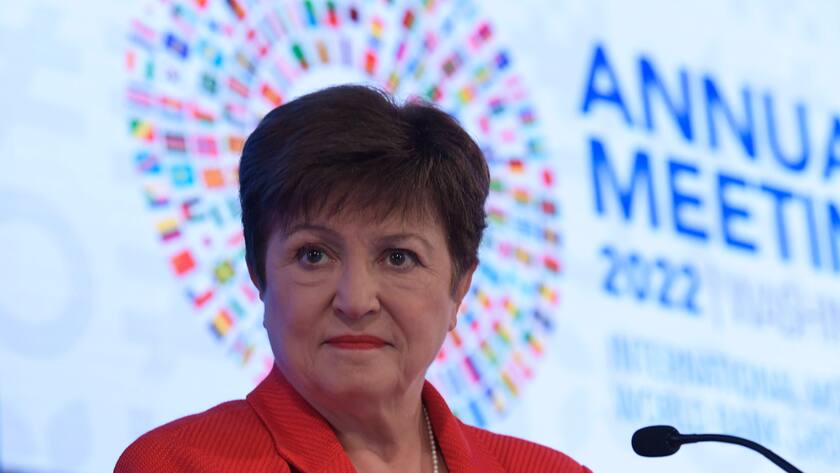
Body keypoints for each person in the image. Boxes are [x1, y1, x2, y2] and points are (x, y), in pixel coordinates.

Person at [116, 85, 591, 473]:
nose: (356, 300)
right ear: (259, 274)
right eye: (313, 255)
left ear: (459, 287)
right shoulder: (176, 464)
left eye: (399, 258)